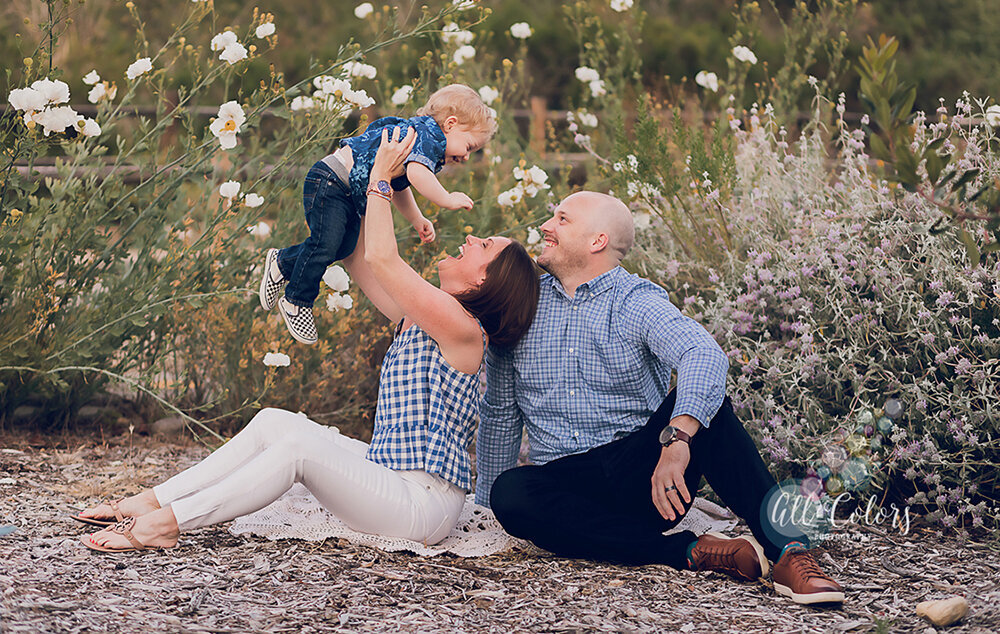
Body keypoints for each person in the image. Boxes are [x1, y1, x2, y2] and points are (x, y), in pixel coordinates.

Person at [77, 128, 539, 553]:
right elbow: (359, 256)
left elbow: (384, 257)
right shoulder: (423, 316)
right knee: (276, 422)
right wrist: (349, 186)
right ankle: (150, 500)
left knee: (298, 450)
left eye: (485, 246)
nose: (472, 237)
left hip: (422, 502)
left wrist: (382, 176)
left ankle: (167, 525)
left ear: (486, 281)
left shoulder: (462, 328)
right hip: (390, 474)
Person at [476, 190, 845, 605]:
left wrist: (677, 440)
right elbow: (500, 414)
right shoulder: (525, 304)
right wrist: (484, 508)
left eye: (562, 219)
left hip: (647, 479)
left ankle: (789, 551)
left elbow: (701, 353)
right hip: (566, 489)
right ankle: (689, 550)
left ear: (597, 240)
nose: (546, 227)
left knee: (712, 410)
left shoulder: (636, 301)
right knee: (509, 494)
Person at [259, 84, 495, 345]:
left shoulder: (423, 145)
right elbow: (417, 174)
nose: (466, 157)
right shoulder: (428, 137)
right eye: (469, 146)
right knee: (325, 244)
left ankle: (283, 262)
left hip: (344, 190)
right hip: (332, 181)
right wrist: (447, 198)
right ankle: (297, 300)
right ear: (450, 124)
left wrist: (416, 218)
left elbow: (400, 184)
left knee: (343, 245)